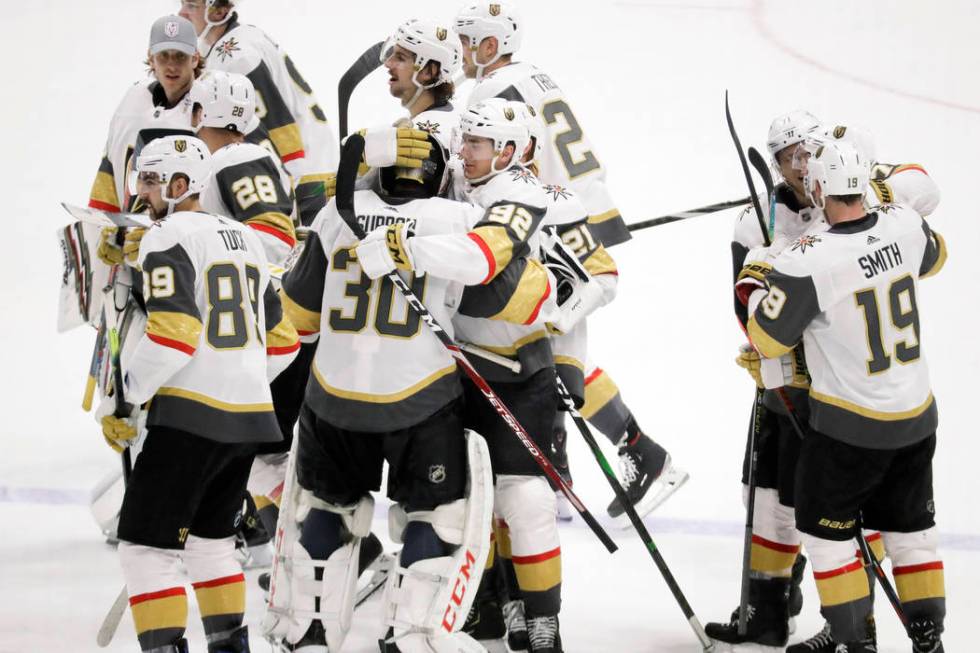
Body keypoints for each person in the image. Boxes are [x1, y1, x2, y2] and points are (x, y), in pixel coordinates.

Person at [454, 2, 687, 523]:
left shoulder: (491, 91)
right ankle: (569, 471)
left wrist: (541, 217)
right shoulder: (534, 76)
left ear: (490, 46)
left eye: (468, 40)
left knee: (548, 359)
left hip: (546, 218)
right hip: (572, 207)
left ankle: (635, 455)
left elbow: (519, 158)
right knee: (549, 358)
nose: (462, 51)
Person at [269, 129, 494, 653]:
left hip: (333, 397)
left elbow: (299, 316)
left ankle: (311, 632)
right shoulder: (458, 221)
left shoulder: (332, 216)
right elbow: (494, 310)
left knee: (324, 510)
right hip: (423, 400)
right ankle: (411, 636)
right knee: (433, 517)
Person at [739, 140, 947, 652]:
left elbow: (767, 337)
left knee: (828, 537)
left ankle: (858, 642)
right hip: (917, 417)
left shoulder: (810, 261)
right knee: (910, 532)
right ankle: (929, 639)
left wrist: (762, 272)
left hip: (850, 429)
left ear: (818, 187)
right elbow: (936, 255)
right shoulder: (901, 222)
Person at [97, 134, 299, 653]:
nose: (141, 190)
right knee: (211, 547)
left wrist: (129, 396)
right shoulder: (246, 238)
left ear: (180, 184)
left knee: (145, 550)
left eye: (149, 178)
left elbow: (173, 334)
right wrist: (239, 377)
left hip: (189, 421)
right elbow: (284, 341)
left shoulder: (166, 236)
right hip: (249, 422)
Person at [177, 0, 336, 225]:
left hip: (306, 177)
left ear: (219, 10)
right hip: (316, 167)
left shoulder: (235, 56)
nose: (181, 13)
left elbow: (278, 124)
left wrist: (291, 184)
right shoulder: (242, 38)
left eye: (192, 6)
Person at [89, 14, 201, 215]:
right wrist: (104, 224)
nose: (171, 66)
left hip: (185, 236)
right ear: (151, 57)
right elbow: (109, 167)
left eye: (180, 56)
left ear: (195, 58)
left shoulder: (210, 108)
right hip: (133, 235)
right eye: (164, 55)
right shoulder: (132, 102)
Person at [192, 70, 296, 266]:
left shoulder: (236, 158)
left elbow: (275, 243)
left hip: (259, 292)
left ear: (200, 113)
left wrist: (192, 247)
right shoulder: (229, 158)